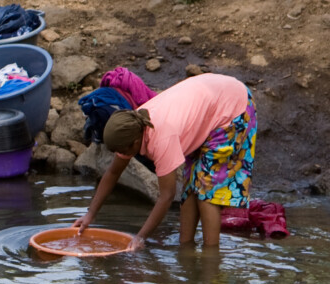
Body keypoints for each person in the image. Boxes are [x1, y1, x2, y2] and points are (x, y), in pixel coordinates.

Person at [72, 73, 256, 251]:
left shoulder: (160, 139)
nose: (121, 155)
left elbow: (166, 196)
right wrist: (90, 214)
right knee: (190, 187)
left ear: (135, 143)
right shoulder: (132, 126)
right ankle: (186, 248)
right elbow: (113, 172)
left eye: (123, 151)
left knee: (208, 192)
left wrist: (140, 237)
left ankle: (210, 256)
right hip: (208, 99)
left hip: (232, 106)